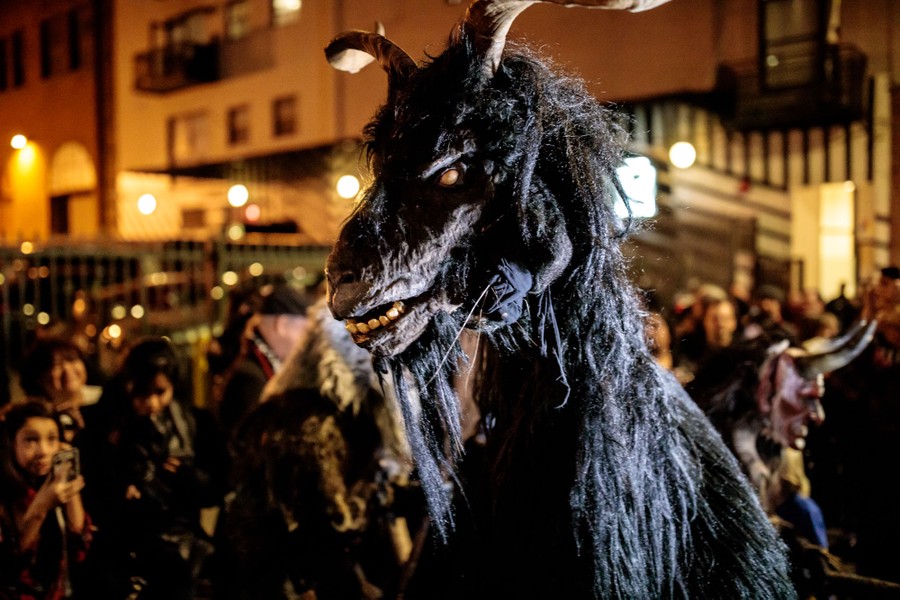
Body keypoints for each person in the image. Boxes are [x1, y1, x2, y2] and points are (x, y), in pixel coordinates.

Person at [78, 337, 227, 599]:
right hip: (122, 550)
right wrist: (122, 489)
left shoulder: (195, 424)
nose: (151, 403)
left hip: (181, 549)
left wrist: (190, 478)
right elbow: (94, 486)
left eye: (160, 393)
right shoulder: (107, 424)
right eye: (141, 393)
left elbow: (217, 487)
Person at [0, 400, 91, 599]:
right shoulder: (7, 492)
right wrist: (42, 506)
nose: (43, 451)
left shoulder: (49, 481)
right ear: (11, 442)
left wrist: (69, 480)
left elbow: (79, 538)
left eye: (52, 439)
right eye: (31, 440)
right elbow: (11, 563)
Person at [217, 283, 315, 435]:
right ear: (282, 325)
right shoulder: (250, 379)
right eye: (304, 331)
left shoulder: (256, 366)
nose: (306, 341)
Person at [19, 338, 102, 444]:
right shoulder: (32, 416)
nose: (67, 369)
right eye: (56, 364)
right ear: (39, 377)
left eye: (72, 360)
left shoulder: (105, 398)